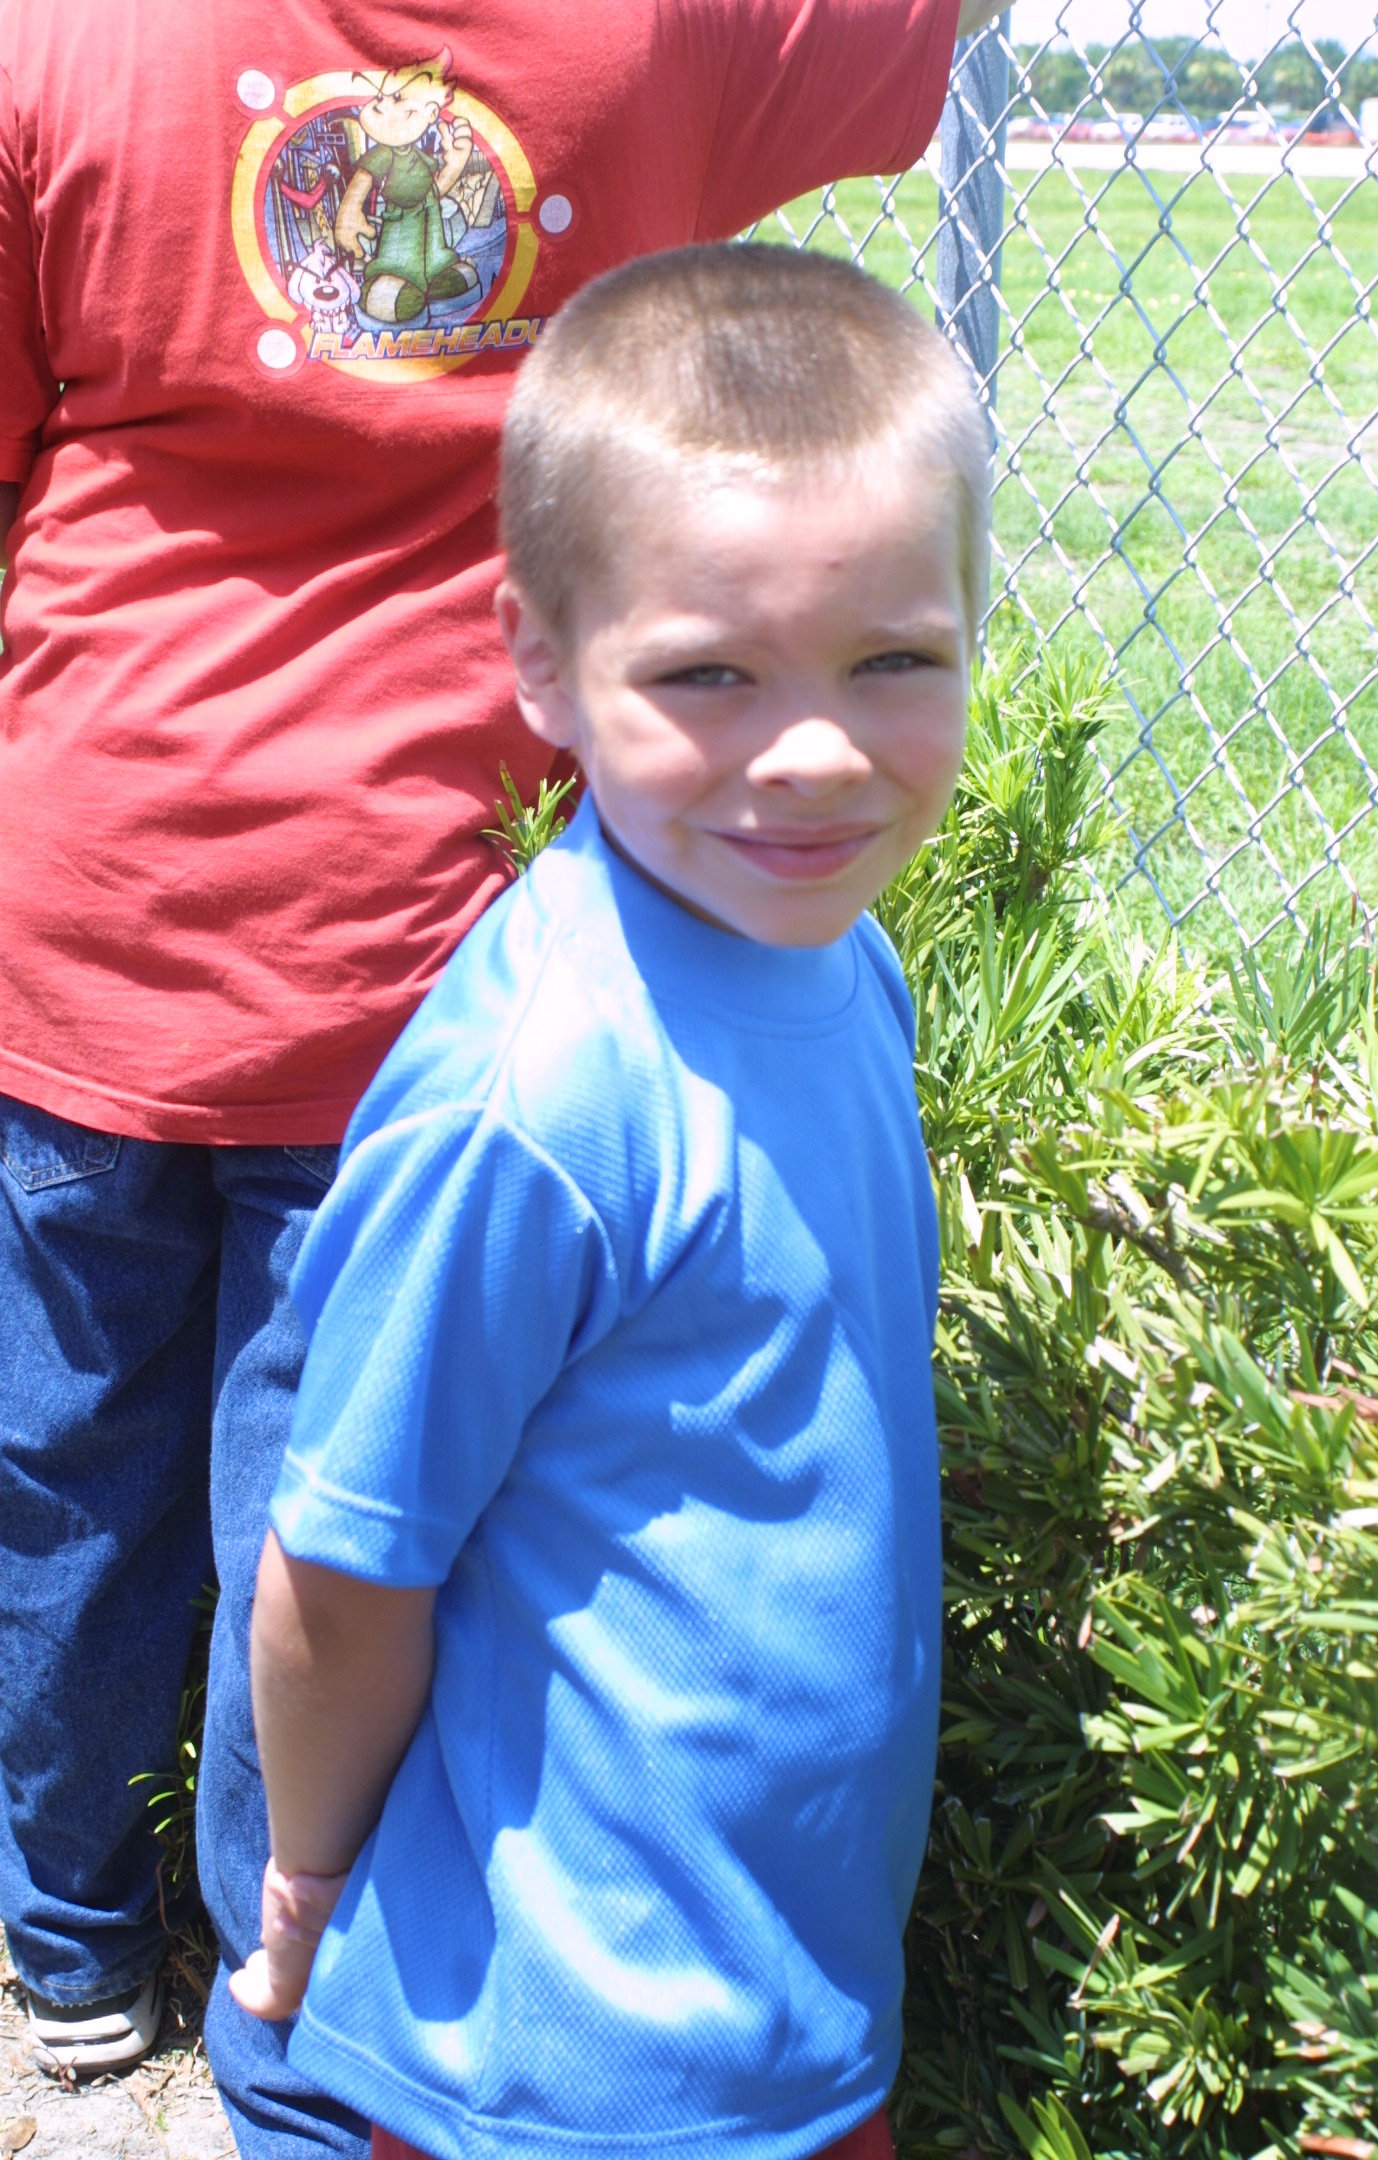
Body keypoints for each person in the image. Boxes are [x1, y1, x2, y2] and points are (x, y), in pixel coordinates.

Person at [0, 1, 1000, 2151]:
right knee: (333, 1502)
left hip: (98, 884)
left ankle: (73, 1952)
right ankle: (294, 2010)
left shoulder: (56, 34)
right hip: (409, 935)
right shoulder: (658, 32)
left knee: (71, 1470)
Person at [227, 240, 989, 2160]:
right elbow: (345, 1563)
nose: (811, 754)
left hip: (785, 1994)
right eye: (706, 674)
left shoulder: (841, 955)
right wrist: (307, 1873)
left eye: (895, 659)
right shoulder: (540, 1095)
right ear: (543, 661)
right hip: (559, 2054)